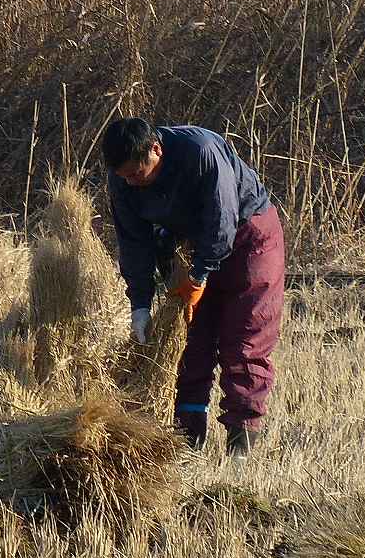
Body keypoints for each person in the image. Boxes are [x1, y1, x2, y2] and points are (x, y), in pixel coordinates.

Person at [102, 117, 285, 457]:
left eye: (137, 174)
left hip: (248, 237)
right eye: (124, 176)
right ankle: (189, 444)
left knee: (244, 341)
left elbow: (222, 219)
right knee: (190, 344)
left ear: (156, 150)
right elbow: (133, 242)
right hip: (188, 246)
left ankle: (239, 449)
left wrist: (200, 276)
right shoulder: (122, 180)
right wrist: (140, 304)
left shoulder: (201, 153)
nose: (132, 182)